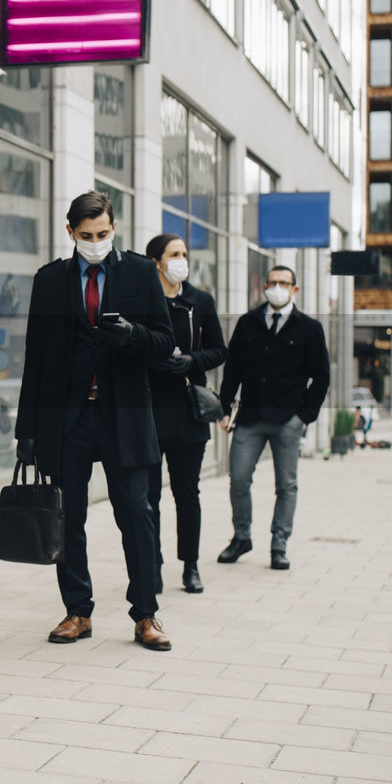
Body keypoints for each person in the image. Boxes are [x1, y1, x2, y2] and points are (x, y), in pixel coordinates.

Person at [14, 190, 176, 652]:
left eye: (103, 233)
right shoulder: (48, 280)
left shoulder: (143, 273)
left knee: (137, 518)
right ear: (71, 233)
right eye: (86, 235)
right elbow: (36, 360)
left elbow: (164, 343)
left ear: (114, 227)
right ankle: (77, 612)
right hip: (68, 422)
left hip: (123, 417)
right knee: (69, 521)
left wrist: (133, 335)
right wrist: (27, 431)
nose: (95, 241)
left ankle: (146, 615)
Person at [217, 266, 330, 571]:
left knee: (287, 485)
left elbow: (321, 376)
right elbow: (233, 371)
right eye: (273, 283)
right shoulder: (247, 323)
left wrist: (304, 416)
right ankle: (242, 537)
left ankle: (279, 544)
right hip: (250, 416)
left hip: (288, 420)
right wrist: (224, 408)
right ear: (264, 287)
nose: (277, 288)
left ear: (295, 289)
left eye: (284, 283)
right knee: (238, 478)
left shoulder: (309, 328)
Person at [144, 234, 227, 595]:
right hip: (148, 411)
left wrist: (191, 361)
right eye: (174, 254)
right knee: (148, 496)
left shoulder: (200, 301)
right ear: (156, 262)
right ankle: (152, 565)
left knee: (187, 492)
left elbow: (219, 350)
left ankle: (190, 566)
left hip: (189, 410)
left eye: (183, 254)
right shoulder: (144, 302)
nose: (181, 260)